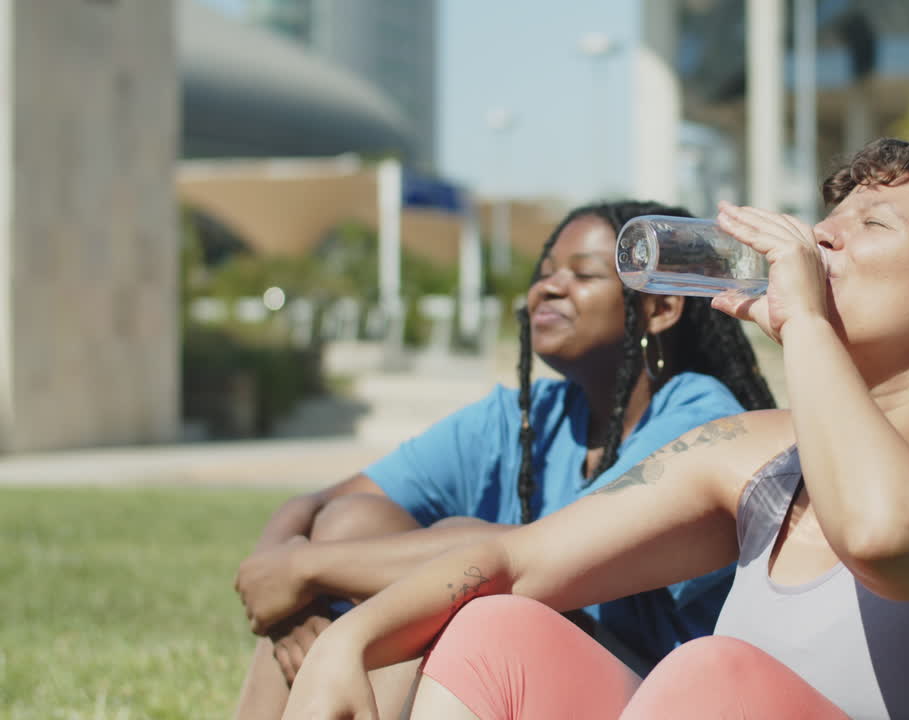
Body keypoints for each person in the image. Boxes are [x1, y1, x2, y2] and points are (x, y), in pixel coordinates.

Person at [278, 138, 909, 720]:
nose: (822, 241)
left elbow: (886, 537)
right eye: (825, 225)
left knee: (714, 677)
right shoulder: (756, 453)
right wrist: (349, 641)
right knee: (494, 631)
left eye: (870, 226)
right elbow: (519, 560)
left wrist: (803, 322)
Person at [232, 199, 776, 719]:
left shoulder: (701, 420)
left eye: (582, 274)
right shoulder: (525, 415)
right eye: (545, 271)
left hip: (651, 693)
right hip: (526, 664)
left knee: (458, 571)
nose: (548, 287)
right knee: (352, 523)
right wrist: (278, 584)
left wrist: (302, 571)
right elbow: (320, 504)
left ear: (659, 307)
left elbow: (523, 562)